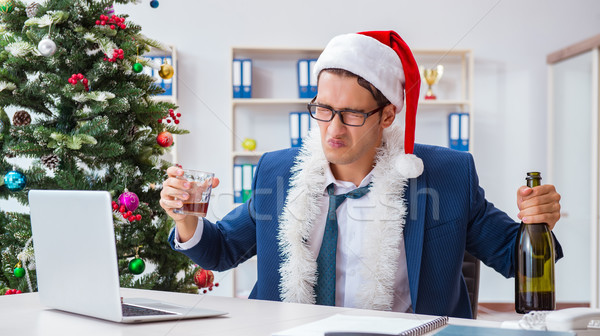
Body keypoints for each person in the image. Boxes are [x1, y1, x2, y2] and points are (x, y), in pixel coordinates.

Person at [159, 30, 562, 318]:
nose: (333, 130)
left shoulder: (447, 175)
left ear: (388, 115)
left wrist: (538, 222)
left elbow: (515, 257)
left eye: (351, 114)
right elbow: (222, 250)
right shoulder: (277, 171)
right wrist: (187, 220)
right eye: (323, 109)